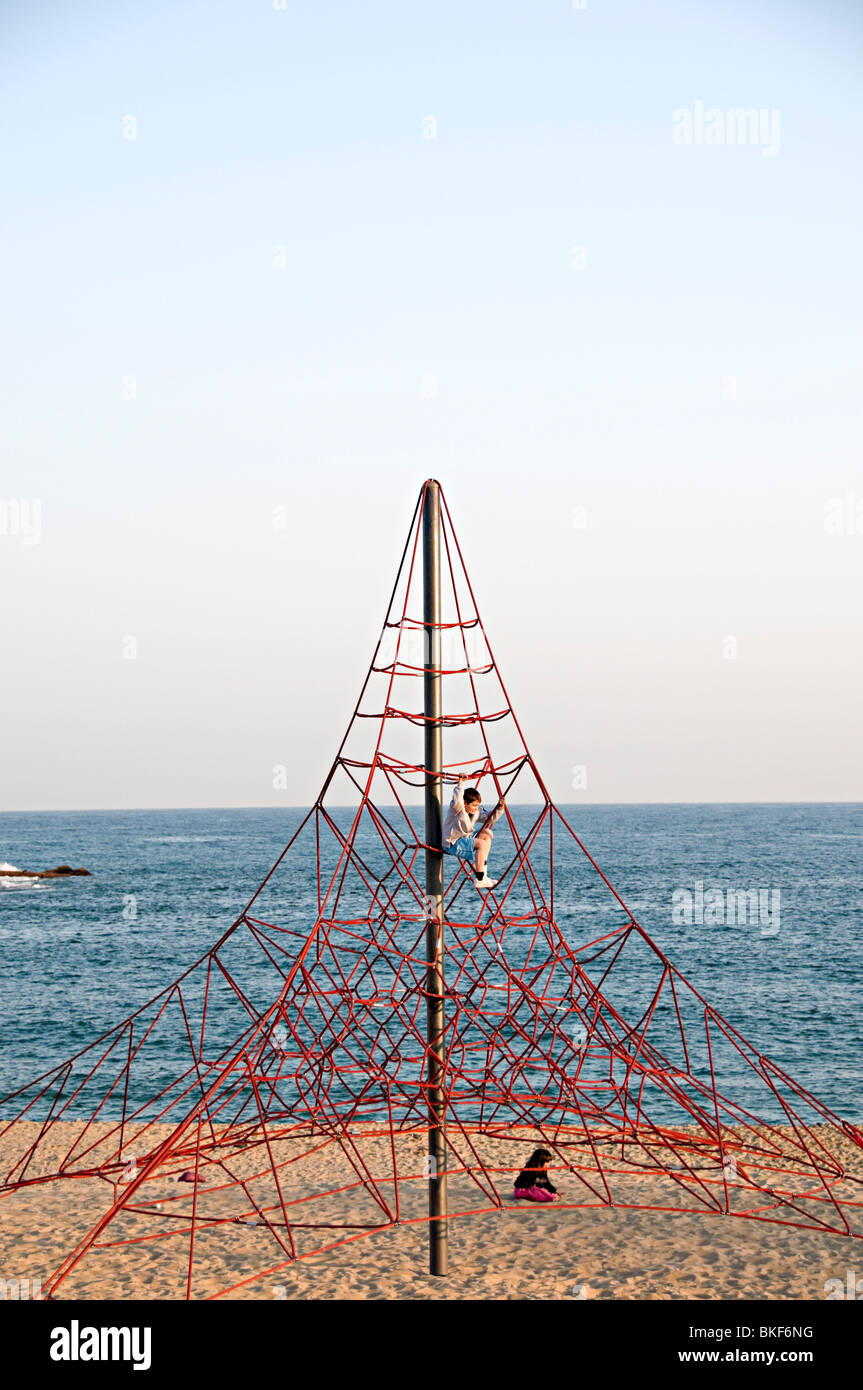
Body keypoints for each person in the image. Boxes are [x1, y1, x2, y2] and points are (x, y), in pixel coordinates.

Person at [442, 773, 505, 891]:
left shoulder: (476, 812)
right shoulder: (457, 809)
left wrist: (500, 808)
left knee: (488, 833)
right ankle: (480, 878)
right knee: (481, 844)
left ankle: (481, 871)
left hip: (464, 839)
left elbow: (489, 818)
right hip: (452, 843)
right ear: (465, 803)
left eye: (477, 805)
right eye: (474, 805)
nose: (476, 808)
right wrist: (461, 783)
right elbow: (457, 801)